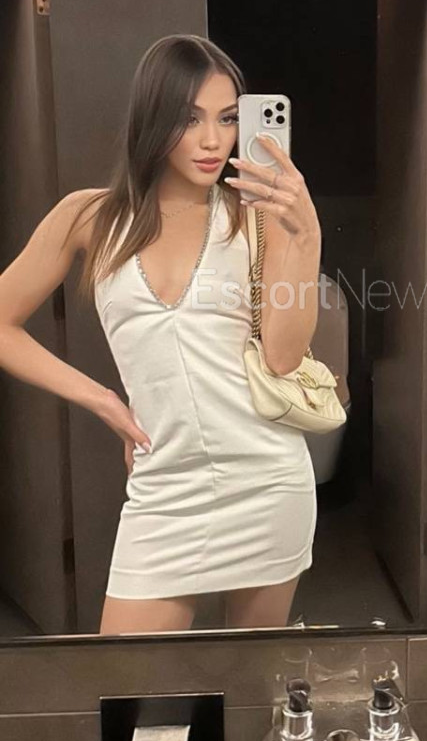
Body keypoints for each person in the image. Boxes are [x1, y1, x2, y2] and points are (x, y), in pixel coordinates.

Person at [0, 34, 322, 635]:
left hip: (267, 479)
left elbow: (282, 359)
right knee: (130, 682)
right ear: (153, 118)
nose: (213, 140)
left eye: (227, 118)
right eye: (190, 118)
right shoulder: (88, 216)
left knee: (253, 676)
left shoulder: (256, 215)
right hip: (165, 488)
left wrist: (306, 237)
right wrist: (101, 399)